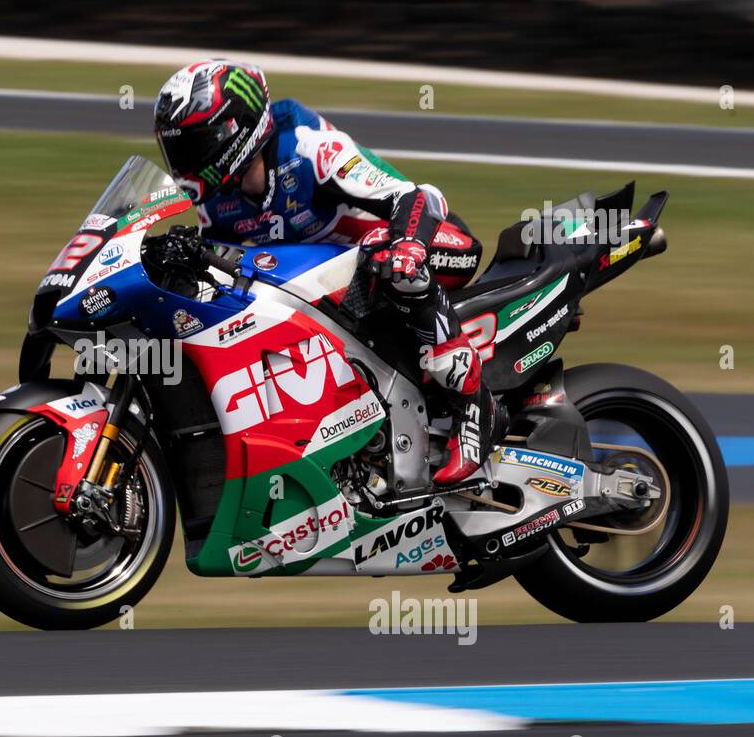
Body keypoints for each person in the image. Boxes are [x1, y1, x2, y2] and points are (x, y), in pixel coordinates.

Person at [153, 58, 503, 485]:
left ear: (233, 132)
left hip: (429, 243)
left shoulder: (307, 149)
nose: (183, 166)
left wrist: (407, 246)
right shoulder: (217, 202)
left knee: (380, 254)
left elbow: (418, 199)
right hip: (345, 291)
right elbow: (216, 258)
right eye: (176, 152)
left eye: (192, 148)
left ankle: (473, 401)